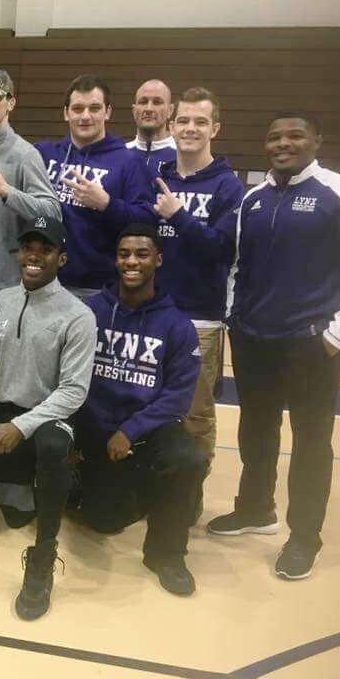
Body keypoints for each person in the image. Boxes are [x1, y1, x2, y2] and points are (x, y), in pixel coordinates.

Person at [208, 113, 340, 579]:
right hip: (254, 339)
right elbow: (237, 265)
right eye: (274, 137)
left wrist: (337, 334)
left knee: (311, 440)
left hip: (312, 345)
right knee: (256, 429)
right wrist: (233, 316)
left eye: (295, 136)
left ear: (317, 140)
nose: (283, 143)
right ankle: (255, 509)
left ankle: (305, 535)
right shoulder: (253, 200)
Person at [76, 224, 206, 596]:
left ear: (158, 260)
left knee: (188, 460)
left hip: (148, 429)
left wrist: (130, 430)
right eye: (124, 254)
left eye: (142, 254)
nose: (132, 261)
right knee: (103, 521)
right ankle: (138, 488)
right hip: (98, 426)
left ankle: (168, 555)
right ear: (116, 260)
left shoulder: (177, 325)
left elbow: (178, 397)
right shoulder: (90, 312)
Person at [0, 214, 96, 620]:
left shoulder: (78, 316)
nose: (34, 256)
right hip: (5, 412)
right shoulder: (3, 300)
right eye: (28, 248)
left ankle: (43, 555)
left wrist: (21, 426)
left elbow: (74, 391)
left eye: (45, 250)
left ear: (61, 259)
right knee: (15, 515)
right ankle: (55, 484)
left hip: (50, 417)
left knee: (51, 446)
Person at [152, 87, 245, 482]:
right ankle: (152, 487)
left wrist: (178, 216)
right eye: (184, 121)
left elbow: (221, 249)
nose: (191, 128)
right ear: (172, 126)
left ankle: (188, 497)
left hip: (200, 320)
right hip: (153, 313)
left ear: (215, 129)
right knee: (149, 404)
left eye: (200, 122)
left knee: (195, 413)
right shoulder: (158, 177)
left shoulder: (227, 186)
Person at [35, 75, 154, 298]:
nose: (85, 116)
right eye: (77, 109)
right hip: (43, 282)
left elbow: (147, 221)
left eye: (94, 108)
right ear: (66, 113)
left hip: (97, 290)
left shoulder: (129, 162)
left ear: (107, 112)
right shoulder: (43, 154)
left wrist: (107, 204)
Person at [0, 68, 60, 304]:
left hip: (9, 284)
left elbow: (53, 213)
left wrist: (8, 193)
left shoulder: (25, 154)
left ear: (11, 103)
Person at [127, 79, 177, 174]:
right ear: (134, 111)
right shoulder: (120, 155)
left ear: (170, 110)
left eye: (157, 102)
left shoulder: (183, 157)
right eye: (143, 102)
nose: (149, 109)